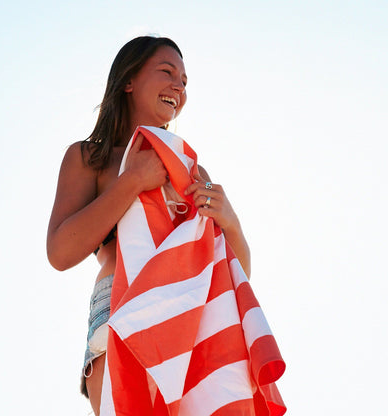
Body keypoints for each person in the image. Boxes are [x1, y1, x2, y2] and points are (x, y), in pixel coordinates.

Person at [47, 36, 251, 416]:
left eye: (185, 82)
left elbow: (233, 275)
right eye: (167, 72)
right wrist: (131, 182)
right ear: (128, 80)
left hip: (192, 314)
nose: (179, 87)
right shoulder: (89, 157)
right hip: (120, 309)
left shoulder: (191, 169)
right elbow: (60, 252)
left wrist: (232, 223)